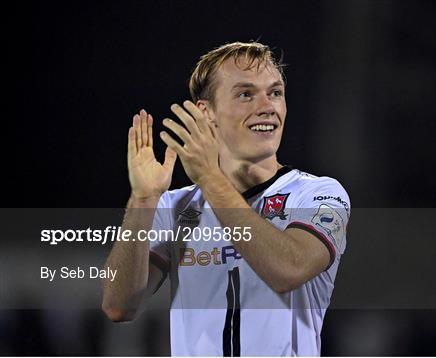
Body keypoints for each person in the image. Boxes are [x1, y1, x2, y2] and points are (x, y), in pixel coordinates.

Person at [102, 41, 351, 356]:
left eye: (275, 93)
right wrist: (142, 199)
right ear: (207, 113)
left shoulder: (318, 194)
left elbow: (288, 269)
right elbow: (118, 305)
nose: (267, 106)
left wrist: (209, 177)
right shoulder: (175, 207)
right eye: (246, 94)